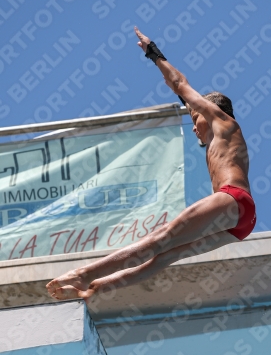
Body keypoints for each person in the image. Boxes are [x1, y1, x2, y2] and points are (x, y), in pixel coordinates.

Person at [46, 27, 256, 301]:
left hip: (233, 199)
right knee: (164, 257)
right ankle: (93, 289)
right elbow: (182, 94)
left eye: (194, 118)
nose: (193, 126)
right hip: (243, 220)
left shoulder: (223, 120)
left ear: (211, 110)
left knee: (162, 237)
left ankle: (83, 273)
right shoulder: (219, 132)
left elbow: (180, 84)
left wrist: (153, 53)